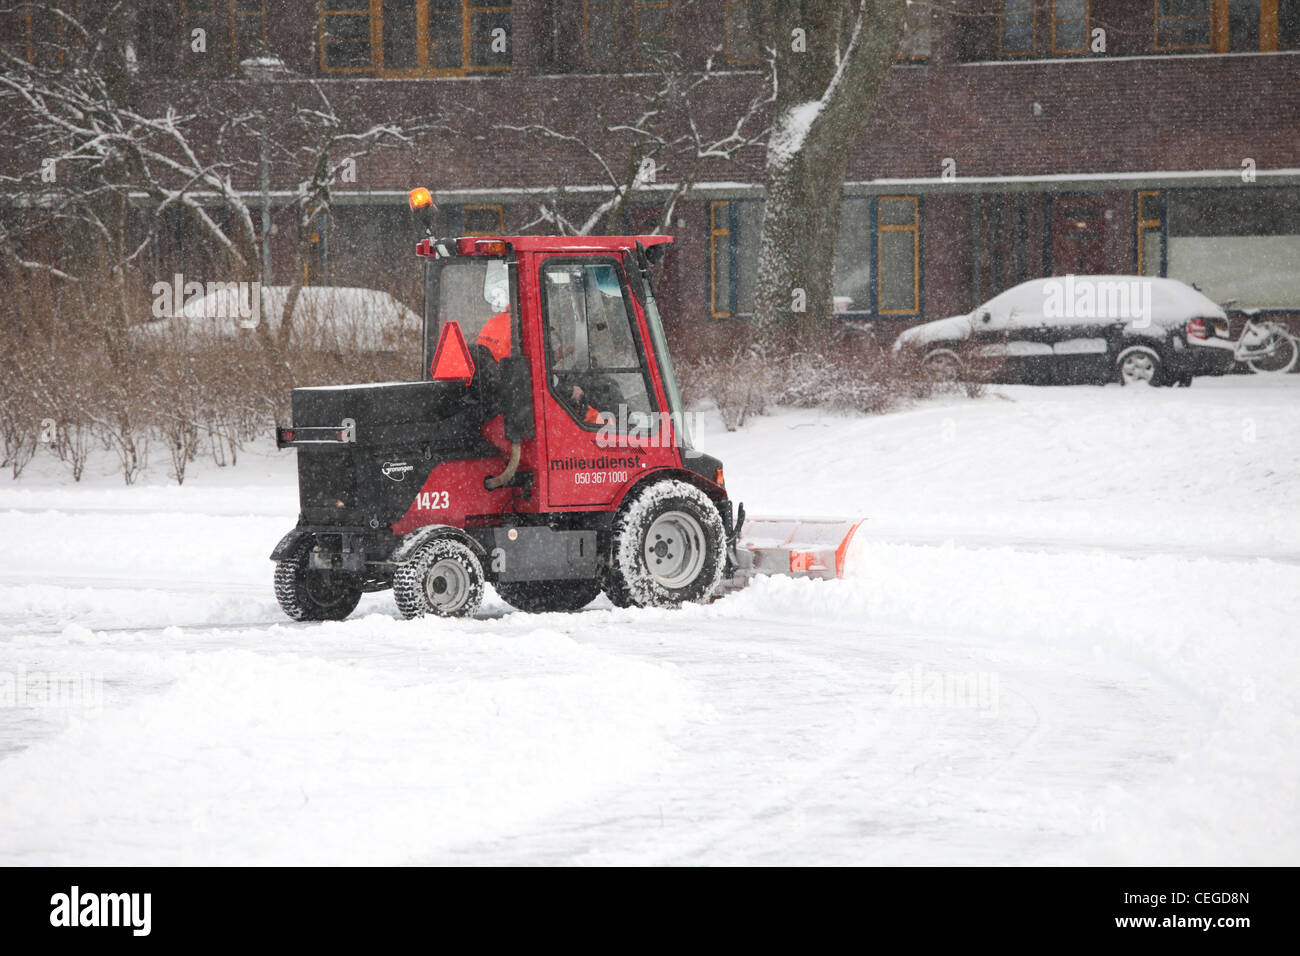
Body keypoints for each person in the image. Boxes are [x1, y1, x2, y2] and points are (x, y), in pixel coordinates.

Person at [475, 311, 612, 426]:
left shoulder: (496, 322)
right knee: (582, 397)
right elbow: (533, 373)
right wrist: (570, 390)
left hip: (496, 396)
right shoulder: (527, 323)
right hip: (516, 400)